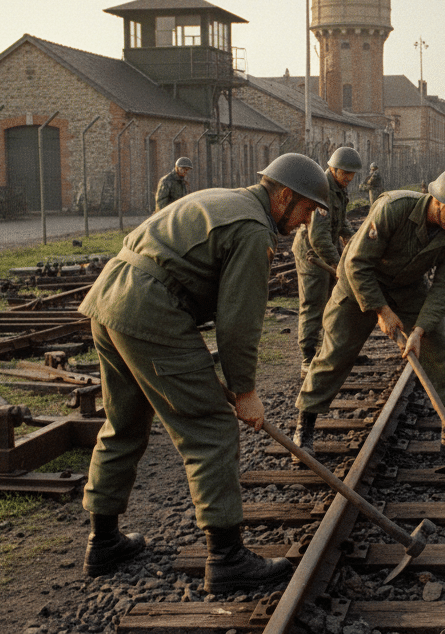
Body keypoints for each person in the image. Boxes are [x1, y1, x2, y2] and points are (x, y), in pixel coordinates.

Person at [78, 153, 329, 593]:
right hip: (149, 306)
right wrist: (243, 390)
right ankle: (228, 559)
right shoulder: (253, 231)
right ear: (285, 196)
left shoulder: (228, 199)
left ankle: (103, 542)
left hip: (110, 295)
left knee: (124, 422)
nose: (307, 222)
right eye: (307, 209)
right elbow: (239, 322)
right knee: (211, 427)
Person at [294, 168, 445, 463]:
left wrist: (420, 329)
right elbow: (356, 264)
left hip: (407, 287)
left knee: (439, 352)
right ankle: (304, 431)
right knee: (335, 354)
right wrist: (381, 310)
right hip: (360, 283)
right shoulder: (393, 208)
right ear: (437, 200)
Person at [295, 147, 362, 377]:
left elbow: (341, 223)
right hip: (311, 255)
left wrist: (355, 244)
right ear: (333, 168)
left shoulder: (339, 190)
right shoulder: (322, 190)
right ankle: (308, 357)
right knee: (313, 304)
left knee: (335, 303)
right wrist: (337, 264)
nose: (350, 178)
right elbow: (318, 237)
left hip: (327, 250)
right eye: (345, 173)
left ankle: (332, 352)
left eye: (352, 174)